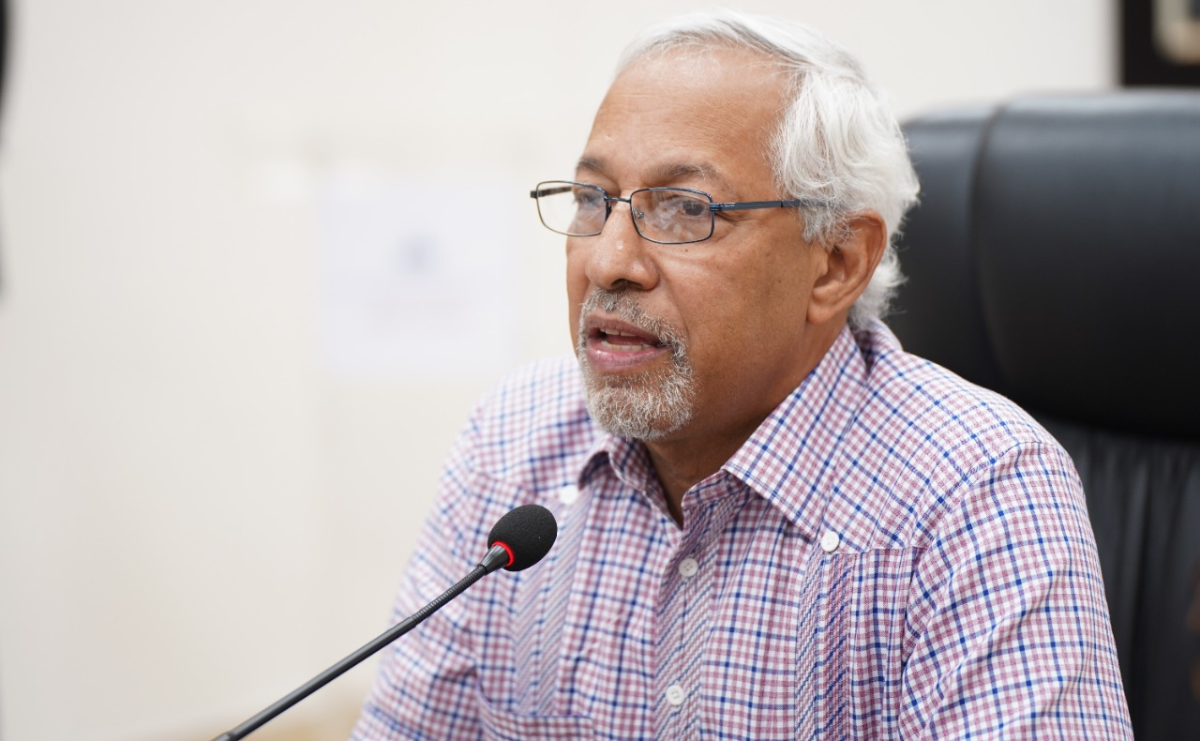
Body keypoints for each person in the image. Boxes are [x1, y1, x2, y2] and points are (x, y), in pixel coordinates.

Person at [351, 11, 1132, 739]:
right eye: (595, 199)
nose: (608, 261)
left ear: (835, 262)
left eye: (686, 209)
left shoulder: (978, 489)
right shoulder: (514, 439)